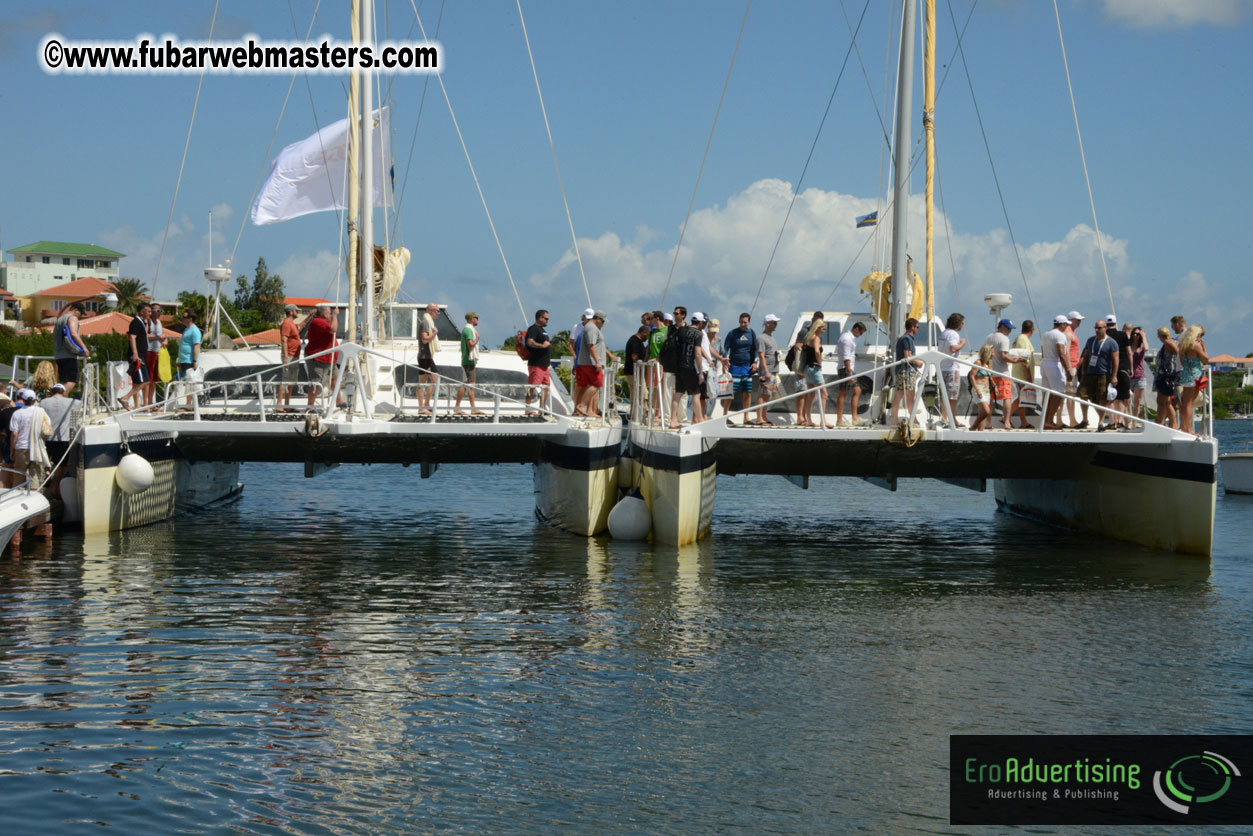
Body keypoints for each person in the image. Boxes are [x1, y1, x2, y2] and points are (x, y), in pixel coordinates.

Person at [983, 318, 1027, 429]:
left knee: (990, 399)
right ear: (1002, 327)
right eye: (1008, 328)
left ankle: (988, 422)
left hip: (990, 372)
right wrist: (1015, 361)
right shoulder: (1004, 339)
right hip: (1002, 373)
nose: (1010, 331)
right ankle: (1007, 422)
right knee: (1007, 398)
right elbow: (1003, 356)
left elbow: (985, 354)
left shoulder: (988, 337)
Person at [668, 309, 706, 428]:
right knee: (696, 394)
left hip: (678, 366)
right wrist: (700, 372)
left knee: (678, 393)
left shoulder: (682, 330)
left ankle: (673, 421)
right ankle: (700, 420)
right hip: (689, 366)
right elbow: (698, 354)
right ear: (700, 322)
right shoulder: (698, 334)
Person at [1077, 317, 1118, 430]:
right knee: (1083, 395)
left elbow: (1116, 359)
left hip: (1103, 373)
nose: (1096, 330)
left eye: (1099, 328)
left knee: (1102, 398)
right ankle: (1085, 419)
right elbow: (1086, 355)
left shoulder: (1111, 342)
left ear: (1105, 328)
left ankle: (1100, 422)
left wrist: (1114, 375)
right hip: (1090, 372)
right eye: (1095, 328)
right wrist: (1083, 371)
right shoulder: (1090, 340)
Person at [575, 310, 615, 418]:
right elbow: (591, 345)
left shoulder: (590, 327)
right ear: (597, 319)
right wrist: (597, 361)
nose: (603, 324)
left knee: (587, 385)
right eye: (603, 321)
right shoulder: (592, 328)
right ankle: (582, 406)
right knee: (598, 383)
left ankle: (586, 410)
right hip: (590, 362)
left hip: (588, 362)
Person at [9, 389, 50, 488]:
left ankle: (17, 495)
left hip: (21, 447)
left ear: (23, 400)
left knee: (19, 475)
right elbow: (47, 429)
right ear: (35, 400)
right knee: (34, 475)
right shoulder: (41, 412)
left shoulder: (17, 413)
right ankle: (33, 494)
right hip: (36, 448)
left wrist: (12, 450)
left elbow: (14, 434)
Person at [887, 317, 924, 425]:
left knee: (899, 395)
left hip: (901, 370)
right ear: (912, 327)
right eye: (917, 327)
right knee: (910, 396)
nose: (918, 329)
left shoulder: (902, 338)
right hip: (907, 371)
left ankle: (894, 419)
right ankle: (913, 420)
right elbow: (908, 356)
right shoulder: (908, 339)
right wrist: (918, 363)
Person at [1040, 315, 1074, 430]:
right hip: (1054, 365)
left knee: (1048, 395)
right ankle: (1049, 421)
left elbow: (1042, 351)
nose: (1067, 327)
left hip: (1044, 364)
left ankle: (1045, 421)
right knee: (1059, 393)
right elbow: (1061, 353)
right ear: (1062, 324)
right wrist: (1068, 370)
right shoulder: (1060, 335)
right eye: (1066, 324)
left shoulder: (1045, 334)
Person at [722, 312, 758, 417]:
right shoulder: (732, 333)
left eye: (745, 322)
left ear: (749, 322)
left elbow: (755, 350)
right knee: (730, 393)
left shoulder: (751, 333)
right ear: (739, 321)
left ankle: (746, 417)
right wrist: (725, 361)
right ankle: (725, 416)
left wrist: (755, 363)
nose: (743, 324)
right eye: (741, 322)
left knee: (747, 392)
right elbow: (725, 348)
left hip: (747, 368)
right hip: (734, 367)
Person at [798, 315, 831, 428]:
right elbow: (817, 351)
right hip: (814, 368)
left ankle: (809, 420)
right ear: (817, 328)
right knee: (824, 394)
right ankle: (823, 420)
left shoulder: (808, 337)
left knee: (811, 394)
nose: (823, 331)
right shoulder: (816, 338)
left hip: (807, 369)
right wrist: (820, 362)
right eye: (822, 328)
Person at [52, 301, 90, 396]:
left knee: (64, 381)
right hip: (69, 355)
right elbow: (73, 333)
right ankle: (58, 397)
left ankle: (61, 401)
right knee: (72, 381)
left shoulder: (59, 319)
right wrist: (84, 348)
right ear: (76, 310)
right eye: (81, 313)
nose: (80, 316)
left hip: (58, 355)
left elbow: (53, 337)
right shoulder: (72, 318)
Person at [834, 320, 867, 426]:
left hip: (848, 369)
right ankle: (840, 420)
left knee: (856, 391)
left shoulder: (848, 338)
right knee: (843, 393)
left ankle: (854, 417)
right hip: (846, 369)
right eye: (860, 333)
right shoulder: (847, 339)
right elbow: (846, 357)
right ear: (856, 329)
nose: (860, 335)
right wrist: (849, 373)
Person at [1177, 324, 1208, 436]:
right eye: (1199, 335)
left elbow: (1182, 362)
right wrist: (1203, 346)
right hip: (1195, 376)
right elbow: (1206, 359)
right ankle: (1189, 429)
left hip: (1186, 375)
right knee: (1189, 404)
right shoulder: (1196, 345)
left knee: (1186, 403)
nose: (1200, 337)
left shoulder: (1183, 345)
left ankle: (1184, 427)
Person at [306, 303, 339, 408]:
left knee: (335, 378)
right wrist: (335, 315)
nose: (330, 315)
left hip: (329, 358)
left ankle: (339, 401)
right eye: (329, 313)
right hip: (319, 358)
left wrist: (332, 316)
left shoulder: (323, 322)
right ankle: (310, 407)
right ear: (325, 314)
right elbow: (333, 329)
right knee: (316, 384)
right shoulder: (318, 322)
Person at [42, 383, 74, 487]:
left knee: (46, 460)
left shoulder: (44, 402)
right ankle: (55, 488)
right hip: (63, 438)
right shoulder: (71, 402)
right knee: (60, 465)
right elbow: (82, 404)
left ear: (52, 391)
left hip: (47, 438)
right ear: (63, 392)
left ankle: (47, 474)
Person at [937, 312, 966, 424]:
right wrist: (962, 343)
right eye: (962, 323)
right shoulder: (954, 334)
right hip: (951, 368)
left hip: (941, 368)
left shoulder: (943, 333)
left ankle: (944, 418)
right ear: (958, 323)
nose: (963, 325)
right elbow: (953, 348)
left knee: (944, 395)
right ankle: (952, 419)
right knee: (952, 396)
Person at [753, 314, 782, 426]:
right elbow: (761, 355)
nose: (776, 325)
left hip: (773, 371)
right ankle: (759, 418)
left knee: (768, 395)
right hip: (767, 371)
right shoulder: (761, 338)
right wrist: (765, 371)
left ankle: (764, 417)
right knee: (763, 393)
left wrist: (776, 371)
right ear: (767, 324)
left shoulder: (772, 338)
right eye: (774, 322)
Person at [1104, 314, 1132, 427]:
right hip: (1123, 367)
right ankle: (1120, 421)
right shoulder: (1123, 335)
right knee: (1122, 396)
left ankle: (1112, 422)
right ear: (1115, 323)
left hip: (1108, 368)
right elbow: (1129, 353)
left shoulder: (1104, 336)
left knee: (1109, 397)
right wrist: (1131, 368)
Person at [524, 309, 553, 416]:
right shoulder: (533, 329)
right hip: (536, 364)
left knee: (546, 387)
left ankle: (541, 409)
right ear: (540, 318)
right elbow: (530, 342)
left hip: (544, 365)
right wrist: (542, 346)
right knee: (533, 386)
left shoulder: (542, 330)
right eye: (546, 319)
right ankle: (527, 408)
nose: (547, 321)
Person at [454, 312, 483, 415]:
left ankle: (472, 408)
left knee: (470, 385)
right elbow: (470, 345)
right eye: (476, 318)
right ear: (471, 319)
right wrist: (477, 338)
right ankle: (458, 408)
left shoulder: (468, 329)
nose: (477, 320)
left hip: (468, 361)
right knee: (467, 384)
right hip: (468, 361)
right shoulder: (469, 330)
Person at [1153, 326, 1180, 429]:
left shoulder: (1168, 342)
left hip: (1165, 375)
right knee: (1167, 402)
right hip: (1167, 375)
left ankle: (1160, 422)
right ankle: (1173, 423)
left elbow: (1178, 353)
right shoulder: (1172, 342)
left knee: (1161, 401)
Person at [1009, 319, 1035, 427]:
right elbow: (1025, 358)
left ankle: (1023, 422)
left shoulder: (1019, 339)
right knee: (1021, 398)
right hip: (1022, 374)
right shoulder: (1024, 340)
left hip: (1019, 373)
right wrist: (1028, 375)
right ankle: (1006, 416)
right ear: (1032, 330)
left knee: (1022, 398)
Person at [126, 303, 151, 410]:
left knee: (137, 381)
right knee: (144, 381)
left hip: (141, 354)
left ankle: (135, 405)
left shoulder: (142, 322)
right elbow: (132, 337)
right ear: (142, 312)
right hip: (138, 355)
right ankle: (125, 398)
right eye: (148, 311)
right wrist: (135, 353)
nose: (150, 313)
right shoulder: (136, 322)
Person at [416, 302, 440, 413]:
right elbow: (425, 339)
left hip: (427, 357)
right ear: (430, 311)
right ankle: (422, 407)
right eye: (437, 311)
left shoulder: (428, 322)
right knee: (424, 382)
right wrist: (435, 332)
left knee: (433, 380)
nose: (438, 313)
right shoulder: (426, 323)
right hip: (424, 357)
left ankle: (425, 405)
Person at [277, 303, 302, 412]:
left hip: (294, 356)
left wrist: (310, 316)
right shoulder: (286, 323)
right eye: (296, 311)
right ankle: (279, 405)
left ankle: (286, 405)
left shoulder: (292, 324)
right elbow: (284, 340)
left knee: (291, 381)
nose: (298, 312)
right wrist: (286, 357)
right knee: (286, 380)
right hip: (289, 356)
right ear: (291, 312)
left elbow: (301, 326)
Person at [705, 318, 729, 419]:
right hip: (704, 368)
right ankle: (703, 414)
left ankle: (708, 414)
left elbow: (724, 352)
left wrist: (724, 363)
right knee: (704, 393)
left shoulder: (719, 340)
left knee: (714, 392)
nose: (714, 332)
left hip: (714, 369)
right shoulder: (703, 338)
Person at [1066, 311, 1087, 427]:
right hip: (1071, 366)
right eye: (1077, 320)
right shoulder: (1069, 333)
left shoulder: (1071, 332)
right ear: (1071, 320)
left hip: (1074, 366)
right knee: (1070, 394)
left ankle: (1065, 419)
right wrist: (1069, 368)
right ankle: (1072, 420)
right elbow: (1066, 351)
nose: (1079, 322)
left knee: (1069, 393)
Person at [177, 310, 202, 409]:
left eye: (184, 317)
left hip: (190, 360)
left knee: (190, 383)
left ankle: (189, 405)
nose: (182, 319)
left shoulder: (195, 330)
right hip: (184, 360)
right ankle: (189, 404)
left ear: (190, 319)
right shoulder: (186, 329)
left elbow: (196, 346)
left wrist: (195, 361)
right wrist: (180, 360)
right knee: (186, 382)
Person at [624, 322, 649, 417]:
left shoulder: (637, 341)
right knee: (638, 392)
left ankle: (637, 412)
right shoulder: (635, 341)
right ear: (644, 332)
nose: (647, 338)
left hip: (636, 372)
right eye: (647, 336)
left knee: (641, 392)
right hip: (633, 372)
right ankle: (639, 412)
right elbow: (634, 356)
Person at [968, 345, 995, 431]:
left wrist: (994, 386)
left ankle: (980, 432)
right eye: (992, 352)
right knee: (986, 411)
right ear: (987, 353)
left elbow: (989, 377)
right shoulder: (978, 362)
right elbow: (972, 376)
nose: (994, 354)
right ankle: (973, 427)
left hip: (986, 390)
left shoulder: (988, 364)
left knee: (982, 412)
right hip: (978, 388)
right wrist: (977, 389)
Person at [571, 307, 594, 408]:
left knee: (590, 385)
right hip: (580, 360)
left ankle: (587, 408)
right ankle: (576, 407)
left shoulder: (593, 328)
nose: (588, 320)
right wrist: (575, 357)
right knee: (580, 385)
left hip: (589, 361)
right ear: (583, 317)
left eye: (590, 319)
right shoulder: (577, 327)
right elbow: (571, 344)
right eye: (587, 318)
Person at [146, 303, 166, 405]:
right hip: (149, 351)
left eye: (160, 311)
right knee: (148, 378)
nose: (159, 313)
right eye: (157, 310)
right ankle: (146, 402)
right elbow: (145, 336)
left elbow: (162, 335)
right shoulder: (148, 322)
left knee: (154, 379)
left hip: (158, 351)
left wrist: (165, 340)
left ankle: (151, 402)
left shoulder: (159, 322)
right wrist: (158, 337)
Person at [1128, 325, 1148, 421]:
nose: (1136, 335)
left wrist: (1143, 336)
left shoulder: (1142, 346)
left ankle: (1134, 421)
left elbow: (1146, 348)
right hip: (1129, 376)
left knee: (1137, 402)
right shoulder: (1128, 345)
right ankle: (1126, 420)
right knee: (1126, 400)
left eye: (1138, 334)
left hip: (1140, 376)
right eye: (1135, 333)